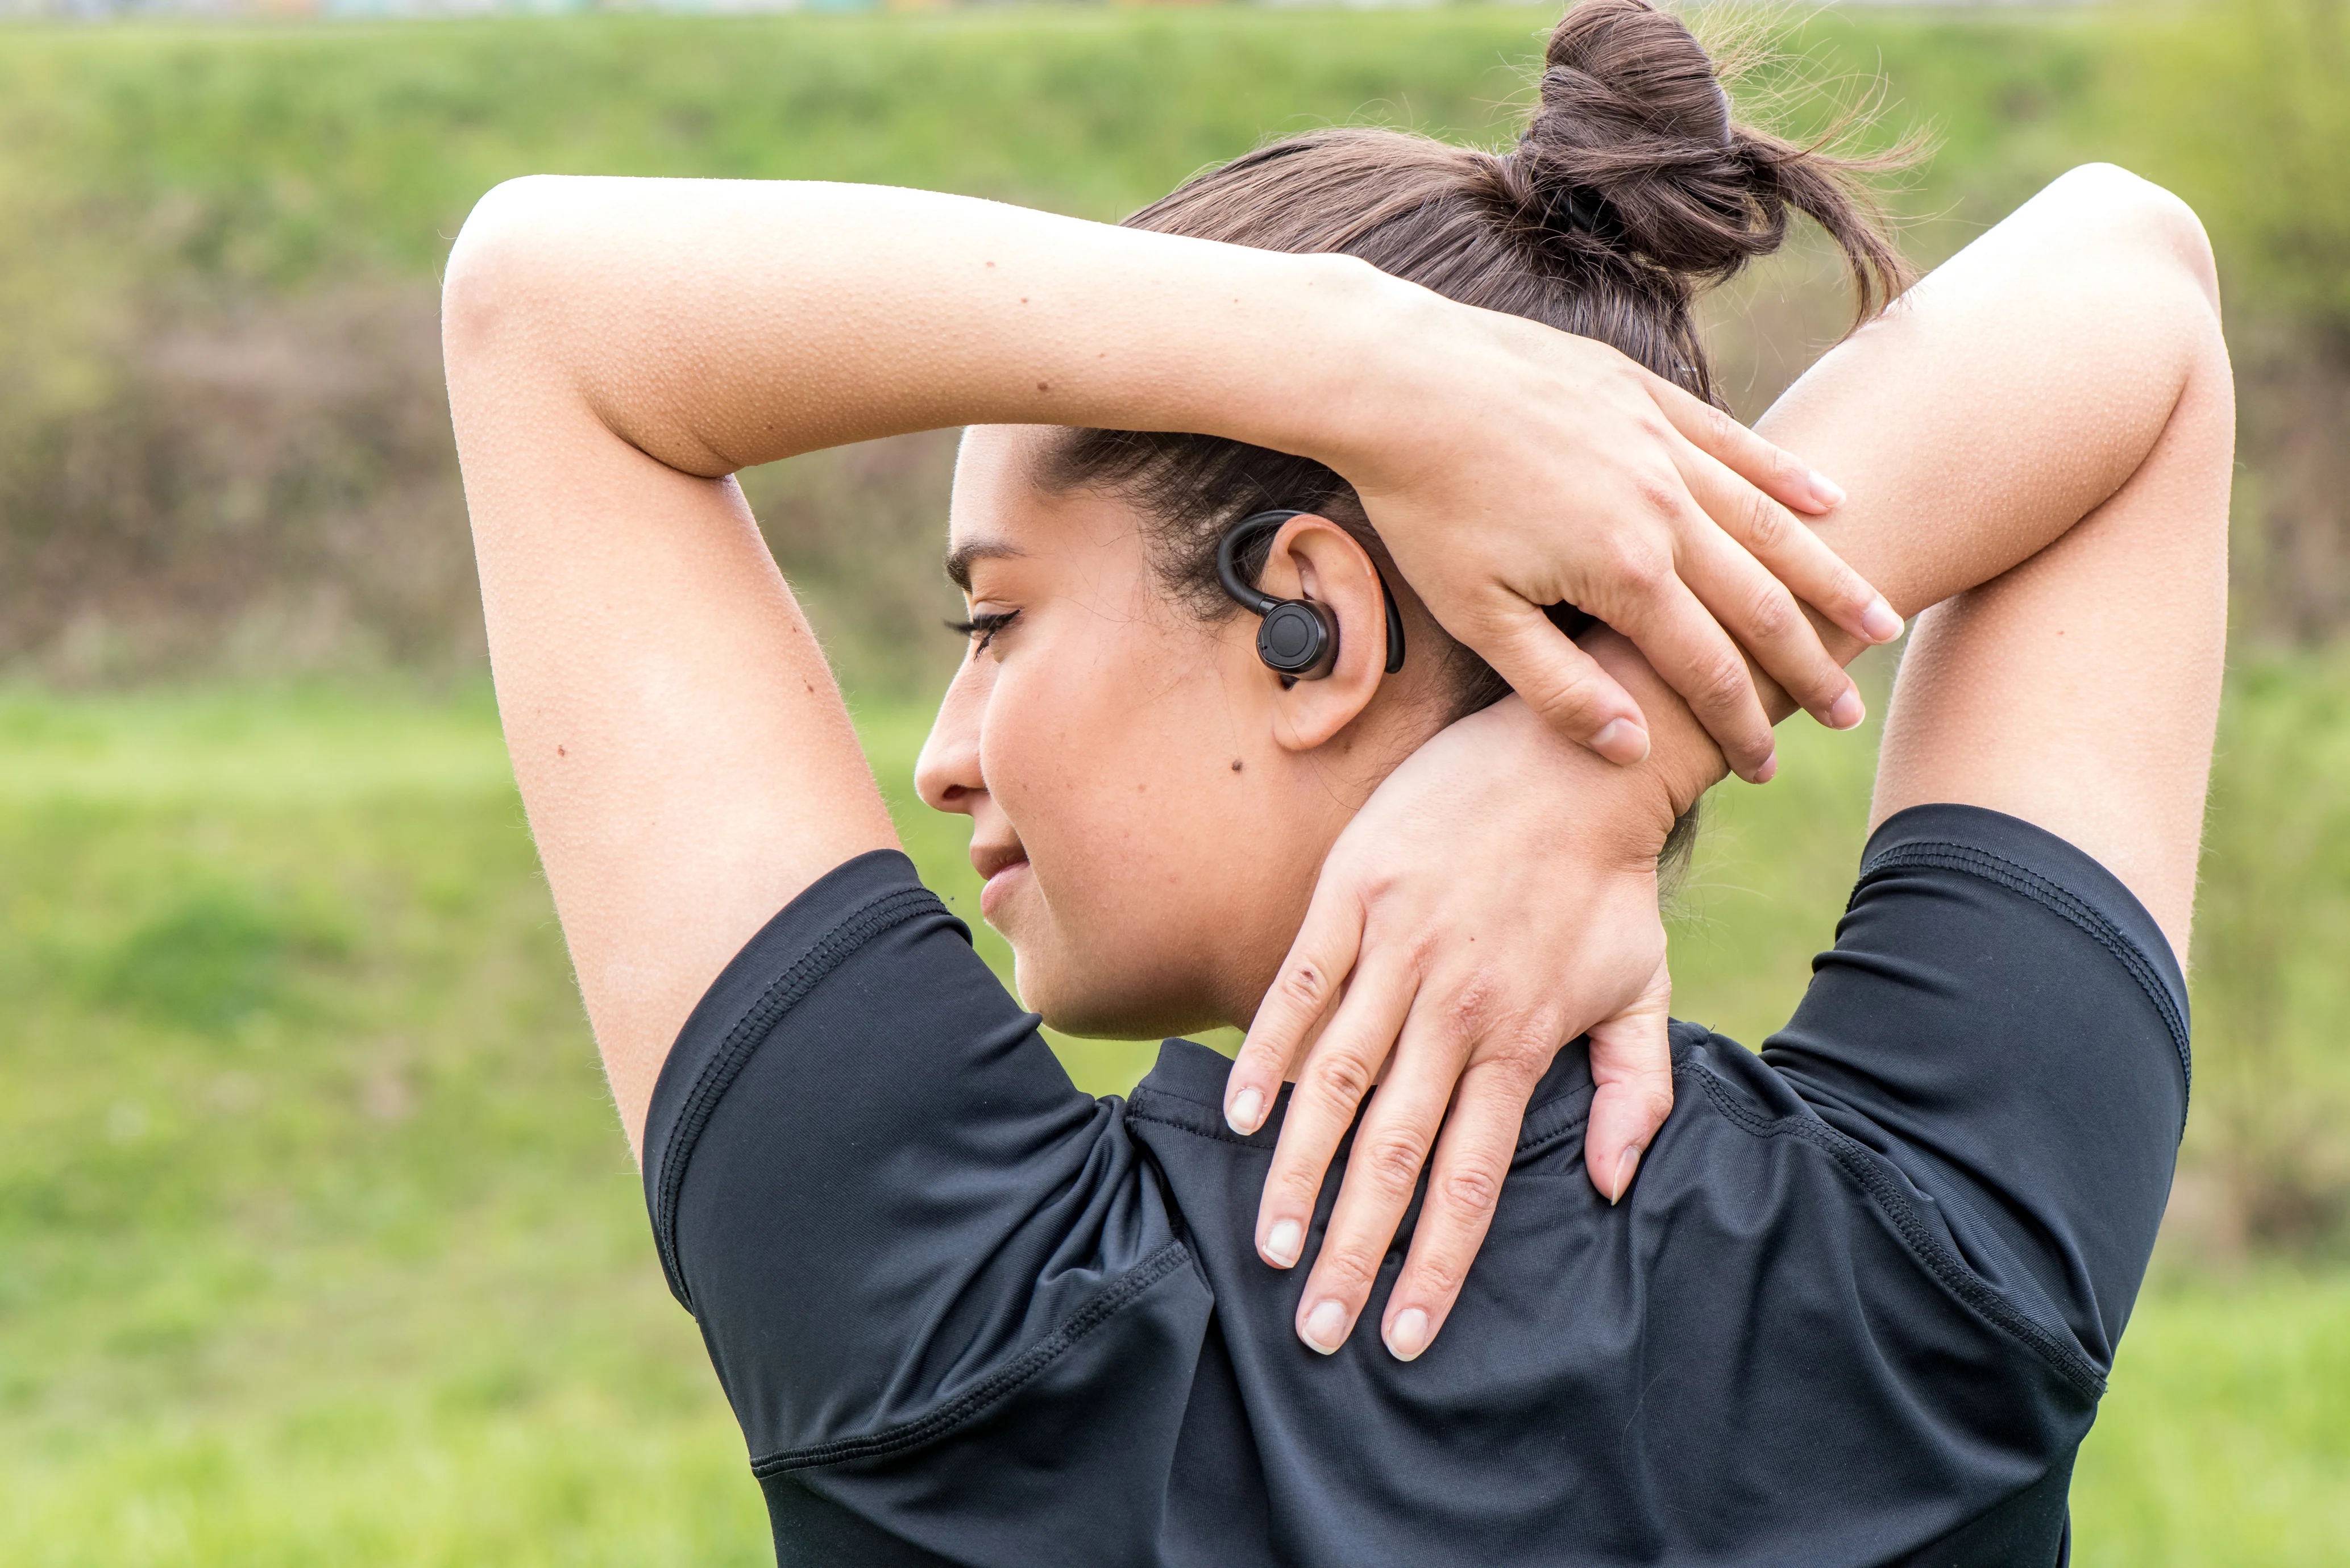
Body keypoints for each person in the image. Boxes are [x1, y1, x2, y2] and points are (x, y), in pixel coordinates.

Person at [441, 3, 2229, 1562]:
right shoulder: (1930, 1274)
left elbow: (547, 312)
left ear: (1310, 620)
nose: (942, 749)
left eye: (994, 616)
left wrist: (1365, 372)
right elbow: (2127, 288)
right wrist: (1610, 752)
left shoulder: (948, 1310)